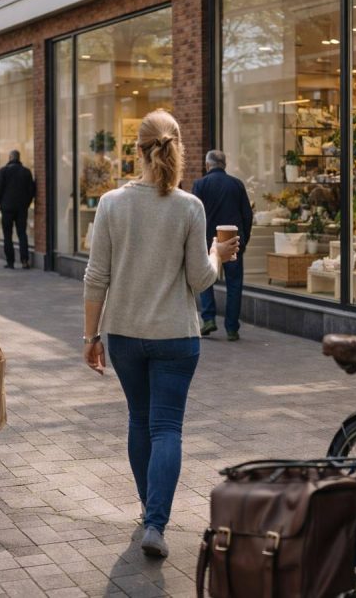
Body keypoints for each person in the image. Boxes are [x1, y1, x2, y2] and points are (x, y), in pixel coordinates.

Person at [82, 109, 238, 559]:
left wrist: (90, 337)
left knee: (139, 420)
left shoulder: (112, 203)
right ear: (178, 149)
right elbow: (200, 279)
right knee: (166, 426)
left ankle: (146, 511)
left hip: (125, 334)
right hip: (175, 335)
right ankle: (156, 522)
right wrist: (219, 254)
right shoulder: (190, 207)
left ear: (138, 150)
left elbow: (96, 277)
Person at [191, 150, 253, 341]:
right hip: (233, 241)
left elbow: (195, 215)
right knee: (234, 284)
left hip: (208, 242)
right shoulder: (237, 184)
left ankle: (209, 319)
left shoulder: (200, 184)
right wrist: (243, 241)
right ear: (224, 165)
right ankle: (232, 328)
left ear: (207, 165)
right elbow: (247, 215)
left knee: (206, 279)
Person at [0, 149, 36, 269]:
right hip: (22, 208)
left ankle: (10, 262)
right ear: (19, 158)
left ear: (10, 157)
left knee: (7, 235)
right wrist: (26, 203)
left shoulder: (4, 171)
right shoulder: (26, 172)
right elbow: (32, 190)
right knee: (22, 233)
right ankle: (24, 260)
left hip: (7, 208)